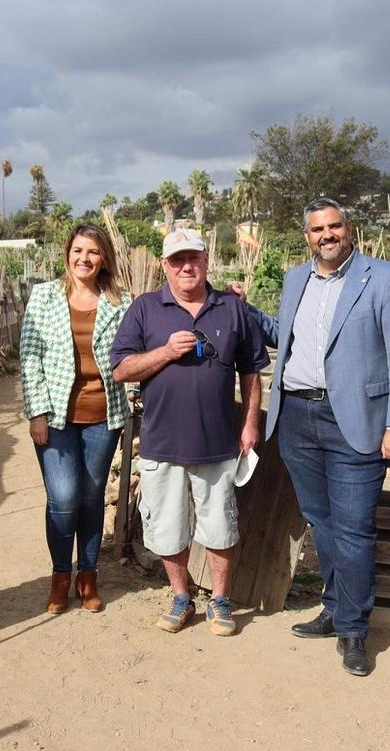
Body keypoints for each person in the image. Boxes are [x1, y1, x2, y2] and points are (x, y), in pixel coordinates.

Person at [239, 197, 390, 676]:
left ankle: (355, 630)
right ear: (307, 236)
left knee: (354, 528)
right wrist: (247, 310)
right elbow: (288, 334)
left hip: (355, 421)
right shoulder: (296, 278)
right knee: (321, 521)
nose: (327, 235)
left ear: (349, 228)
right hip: (297, 416)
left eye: (334, 226)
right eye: (317, 229)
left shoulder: (384, 278)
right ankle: (335, 608)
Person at [111, 228, 268, 636]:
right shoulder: (146, 309)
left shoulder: (232, 308)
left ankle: (219, 600)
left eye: (193, 258)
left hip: (217, 443)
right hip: (162, 441)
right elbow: (121, 369)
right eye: (177, 259)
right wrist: (165, 351)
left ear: (205, 261)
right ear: (165, 265)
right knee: (166, 526)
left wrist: (250, 423)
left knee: (219, 525)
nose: (186, 266)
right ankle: (181, 597)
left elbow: (252, 370)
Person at [20, 224, 129, 613]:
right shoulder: (45, 296)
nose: (84, 258)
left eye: (93, 252)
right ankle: (59, 575)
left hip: (104, 416)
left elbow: (131, 355)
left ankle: (88, 575)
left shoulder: (120, 301)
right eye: (78, 250)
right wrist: (37, 412)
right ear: (67, 253)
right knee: (63, 498)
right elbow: (30, 356)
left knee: (91, 496)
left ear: (104, 259)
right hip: (56, 417)